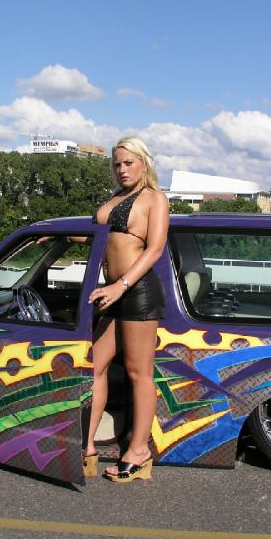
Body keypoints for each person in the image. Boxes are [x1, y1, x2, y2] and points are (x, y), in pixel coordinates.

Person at [85, 136, 169, 483]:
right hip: (111, 294)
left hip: (137, 292)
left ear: (144, 164)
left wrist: (120, 286)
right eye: (117, 163)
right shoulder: (114, 199)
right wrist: (55, 234)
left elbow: (155, 249)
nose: (122, 169)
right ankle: (87, 447)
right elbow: (100, 238)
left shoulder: (155, 199)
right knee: (94, 366)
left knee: (138, 373)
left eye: (128, 162)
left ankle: (138, 452)